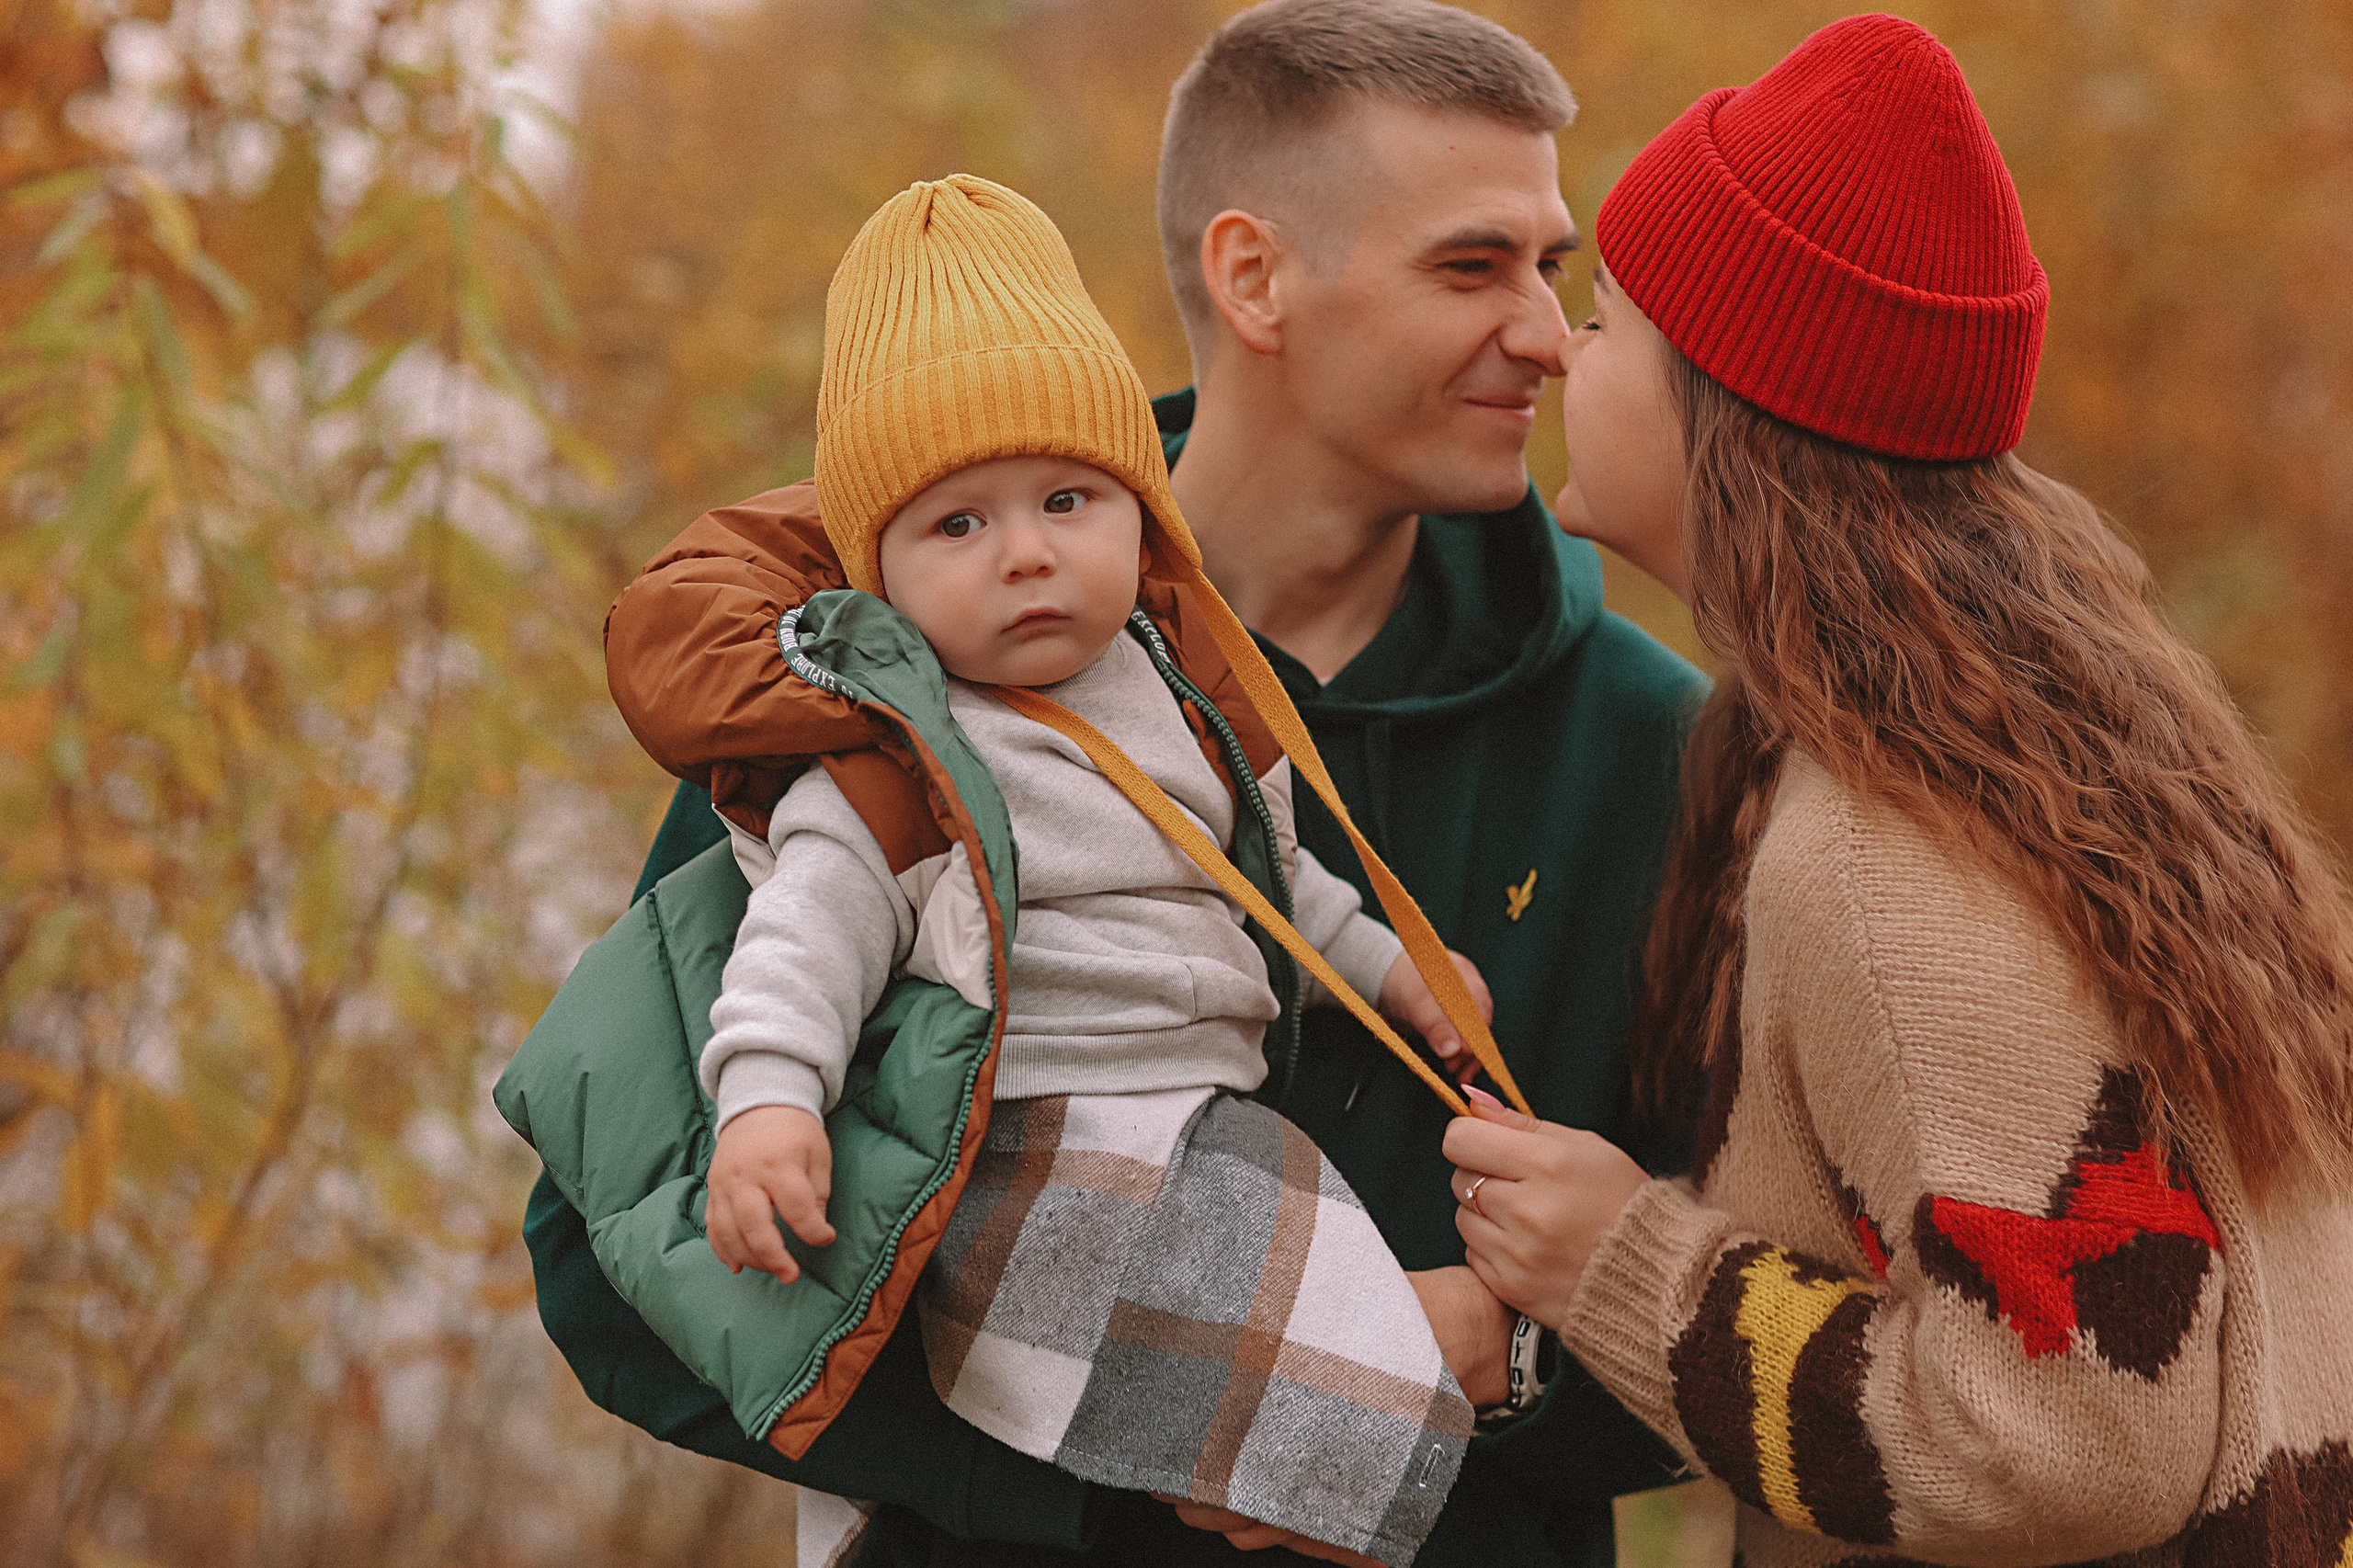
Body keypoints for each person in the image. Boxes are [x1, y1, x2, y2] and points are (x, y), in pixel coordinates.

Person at [518, 3, 1706, 1563]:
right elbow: (614, 1257)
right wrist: (1109, 1466)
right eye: (1473, 266)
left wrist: (1516, 1359)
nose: (1551, 335)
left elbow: (1798, 1303)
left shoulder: (1653, 746)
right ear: (1253, 275)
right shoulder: (877, 692)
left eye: (1552, 272)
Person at [1444, 15, 2353, 1567]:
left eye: (1604, 317)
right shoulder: (2014, 739)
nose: (1556, 349)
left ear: (1729, 402)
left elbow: (2072, 1440)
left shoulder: (1888, 865)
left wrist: (1624, 1263)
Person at [694, 171, 1498, 1568]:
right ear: (874, 575)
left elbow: (1274, 881)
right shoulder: (898, 758)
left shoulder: (1181, 696)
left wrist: (1396, 975)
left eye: (1069, 498)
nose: (1027, 555)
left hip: (1211, 1120)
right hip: (1035, 1146)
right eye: (959, 525)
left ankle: (1306, 1481)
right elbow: (802, 940)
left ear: (1140, 513)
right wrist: (769, 1104)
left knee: (1366, 1403)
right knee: (1322, 1416)